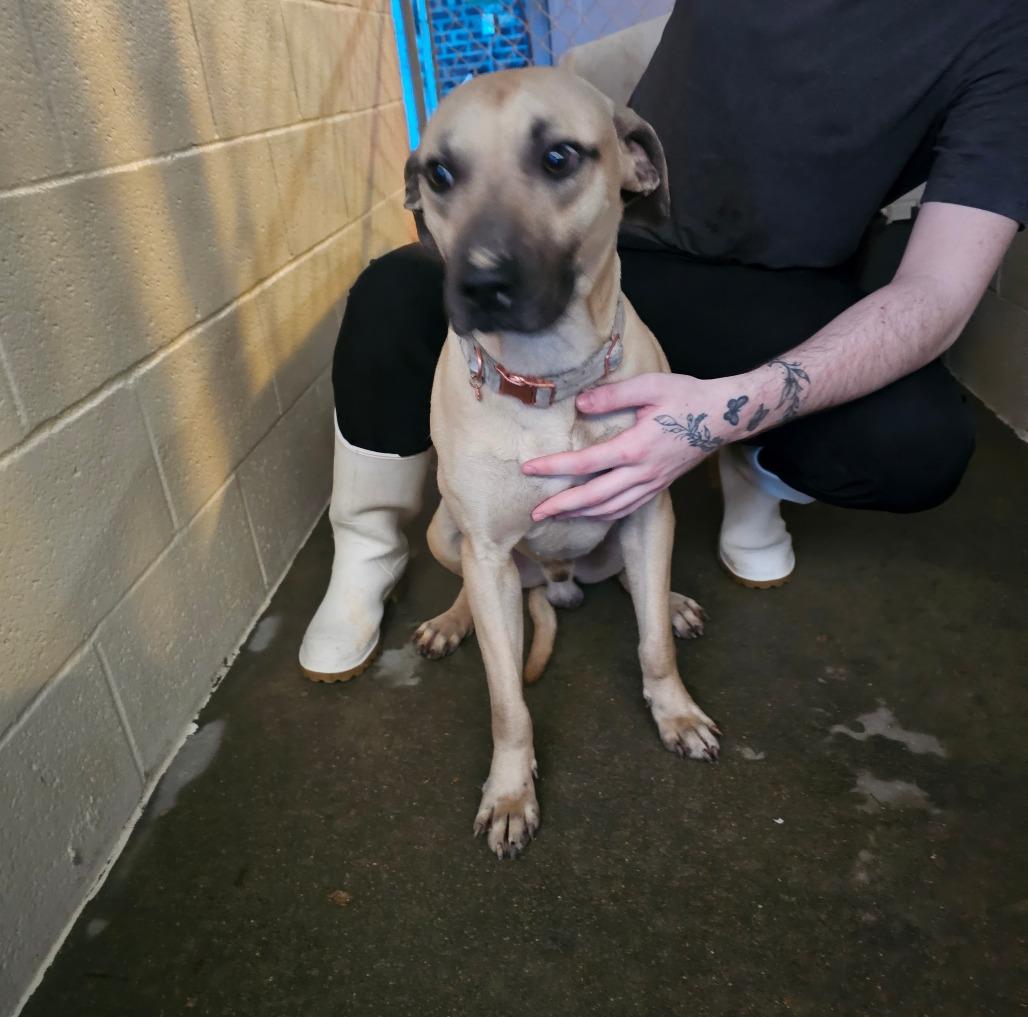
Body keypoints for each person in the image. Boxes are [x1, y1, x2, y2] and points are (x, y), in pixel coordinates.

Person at [299, 0, 1027, 682]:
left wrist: (722, 417)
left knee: (915, 440)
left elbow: (936, 293)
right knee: (392, 293)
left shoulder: (1004, 30)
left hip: (787, 287)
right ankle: (369, 547)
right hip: (627, 251)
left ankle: (752, 463)